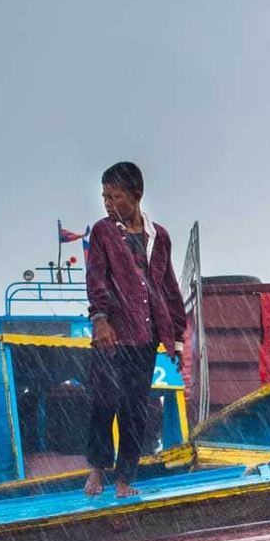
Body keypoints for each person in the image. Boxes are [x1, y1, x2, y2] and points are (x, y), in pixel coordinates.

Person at [83, 161, 187, 498]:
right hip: (111, 335)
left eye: (115, 196)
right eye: (104, 196)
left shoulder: (160, 237)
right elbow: (96, 276)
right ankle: (96, 471)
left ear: (136, 195)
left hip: (144, 337)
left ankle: (124, 478)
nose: (108, 203)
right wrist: (100, 318)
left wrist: (178, 338)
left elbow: (168, 286)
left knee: (134, 408)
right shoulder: (103, 231)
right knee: (104, 402)